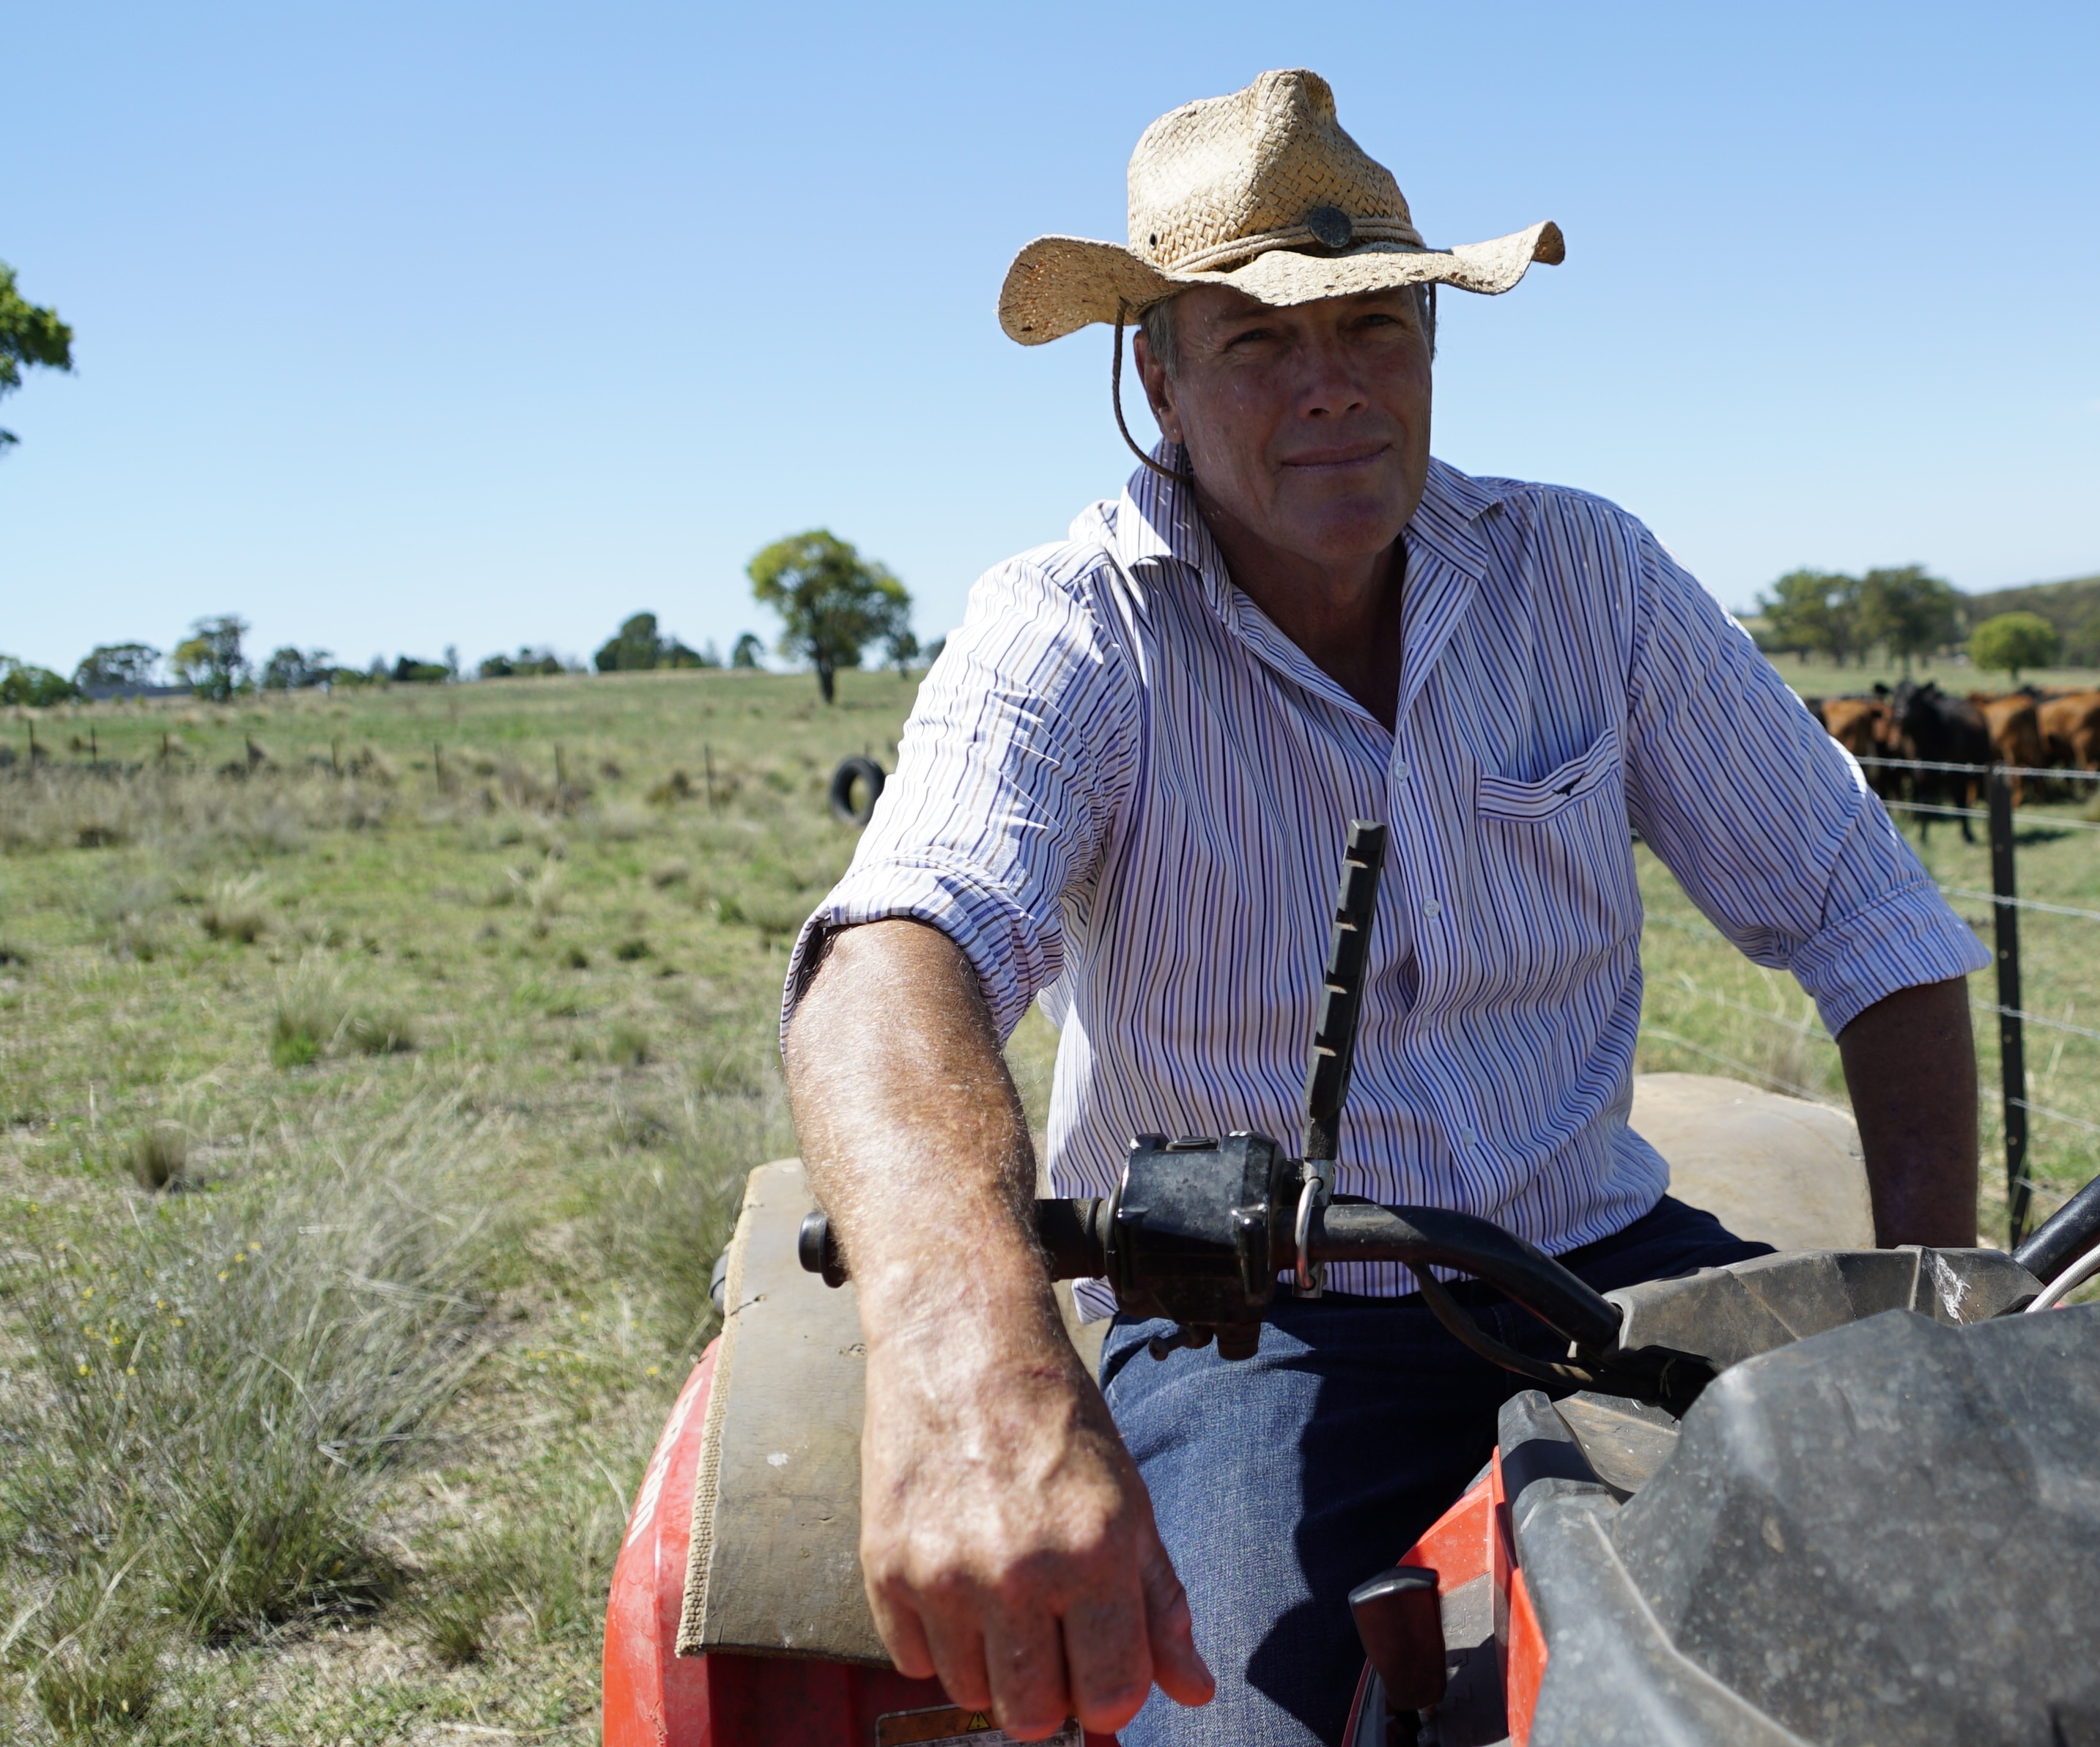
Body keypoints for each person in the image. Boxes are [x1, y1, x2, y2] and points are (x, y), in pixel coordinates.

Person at [780, 68, 1988, 1746]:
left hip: (1598, 1268)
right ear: (1160, 381)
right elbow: (894, 953)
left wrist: (1929, 1292)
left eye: (1377, 328)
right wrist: (969, 1358)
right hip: (1251, 1323)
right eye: (1261, 341)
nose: (1332, 388)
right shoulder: (1069, 630)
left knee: (1961, 1604)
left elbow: (1873, 919)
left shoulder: (1588, 576)